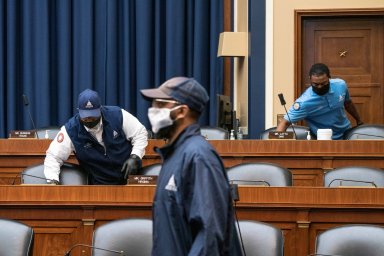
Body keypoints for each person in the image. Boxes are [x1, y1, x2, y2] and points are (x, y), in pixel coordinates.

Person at [140, 77, 242, 256]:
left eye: (160, 104)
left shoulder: (199, 157)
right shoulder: (175, 154)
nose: (152, 110)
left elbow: (209, 235)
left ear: (181, 111)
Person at [44, 89, 148, 185]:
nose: (89, 119)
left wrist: (135, 156)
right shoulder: (70, 129)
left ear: (100, 109)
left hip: (131, 179)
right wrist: (52, 180)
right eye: (85, 116)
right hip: (99, 186)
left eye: (93, 115)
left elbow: (140, 133)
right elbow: (53, 156)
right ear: (78, 111)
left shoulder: (118, 115)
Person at [276, 63, 363, 140]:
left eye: (323, 83)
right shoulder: (304, 103)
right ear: (310, 79)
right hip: (322, 140)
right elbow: (285, 122)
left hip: (346, 133)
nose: (320, 87)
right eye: (316, 84)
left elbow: (348, 103)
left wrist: (359, 121)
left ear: (329, 77)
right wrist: (277, 146)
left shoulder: (341, 85)